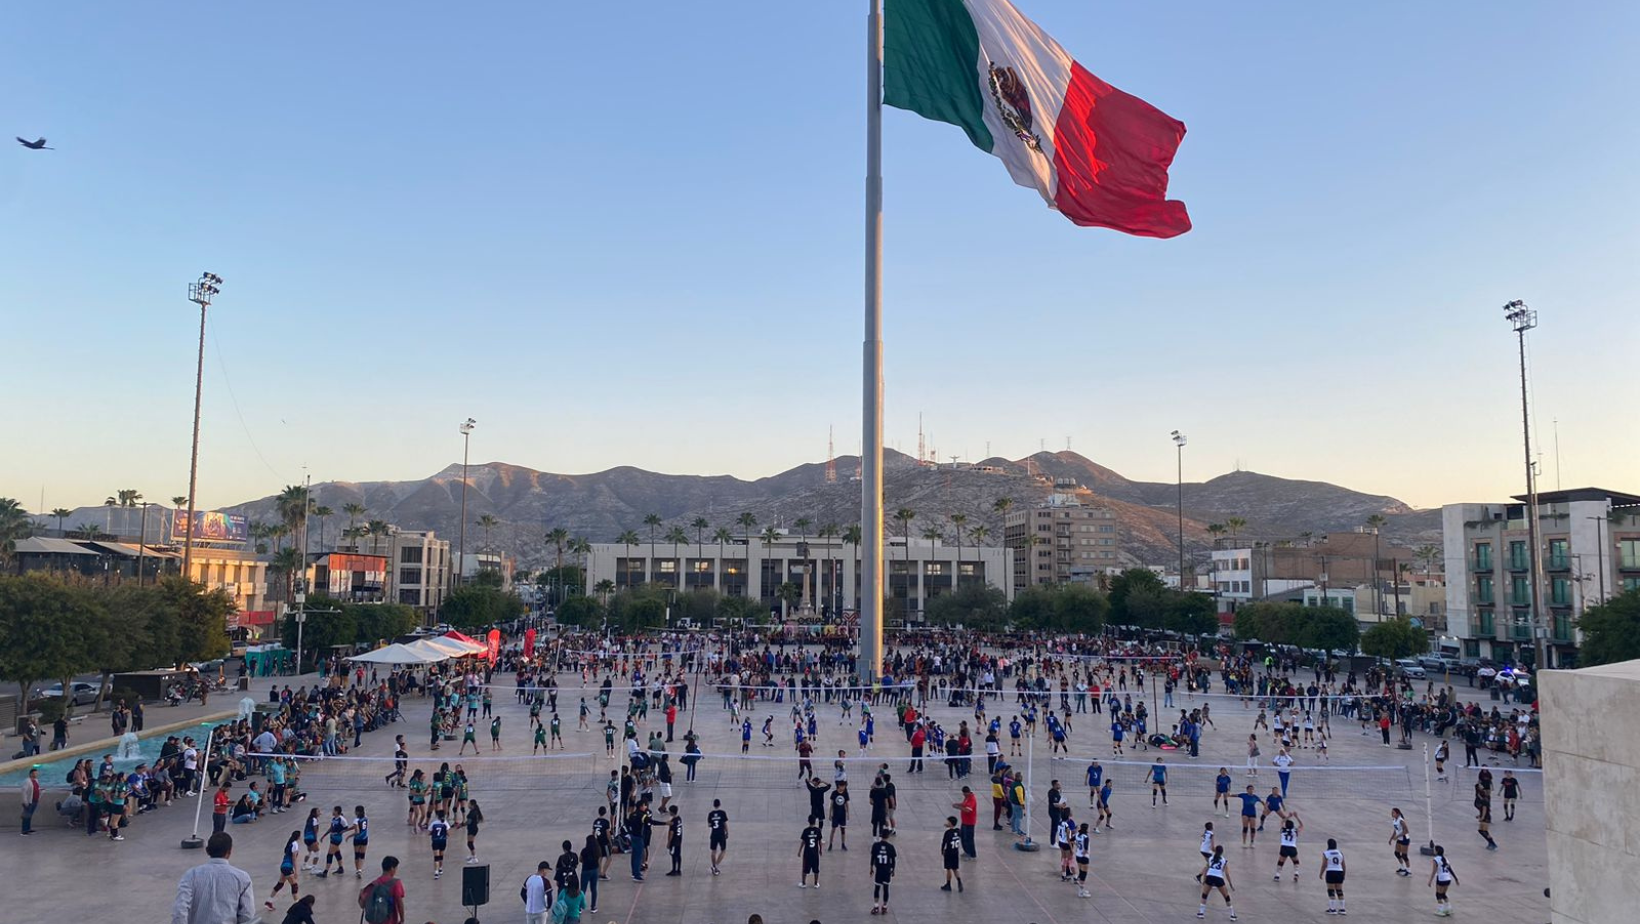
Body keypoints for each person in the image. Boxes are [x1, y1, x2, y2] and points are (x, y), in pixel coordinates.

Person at [171, 832, 257, 924]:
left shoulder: (191, 875)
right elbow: (247, 915)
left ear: (207, 851)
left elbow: (180, 910)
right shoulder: (242, 878)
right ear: (229, 852)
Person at [1197, 844, 1236, 920]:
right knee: (1226, 896)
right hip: (1219, 878)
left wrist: (1205, 880)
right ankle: (1232, 914)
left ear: (1215, 851)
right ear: (1222, 852)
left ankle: (1201, 913)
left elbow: (1206, 869)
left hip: (1210, 877)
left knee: (1205, 895)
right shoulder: (1224, 860)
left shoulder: (1210, 858)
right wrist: (1230, 884)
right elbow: (1227, 874)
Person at [266, 830, 304, 910]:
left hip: (283, 866)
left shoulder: (289, 843)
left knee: (280, 884)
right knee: (294, 885)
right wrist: (296, 870)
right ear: (298, 837)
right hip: (288, 867)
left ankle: (269, 901)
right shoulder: (295, 844)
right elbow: (294, 858)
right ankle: (297, 905)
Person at [870, 827, 898, 913]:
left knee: (877, 888)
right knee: (886, 889)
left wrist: (871, 868)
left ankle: (876, 906)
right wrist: (893, 870)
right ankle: (884, 906)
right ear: (888, 836)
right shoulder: (890, 847)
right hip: (887, 871)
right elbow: (893, 860)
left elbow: (873, 857)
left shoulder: (876, 846)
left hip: (879, 870)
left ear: (881, 835)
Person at [1427, 845, 1458, 916]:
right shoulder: (1445, 859)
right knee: (1443, 894)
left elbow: (1434, 871)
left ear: (1437, 851)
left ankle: (1440, 910)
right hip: (1448, 878)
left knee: (1438, 894)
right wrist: (1456, 878)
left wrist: (1430, 881)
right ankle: (1449, 908)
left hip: (1441, 878)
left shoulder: (1435, 860)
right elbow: (1450, 869)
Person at [1320, 837, 1347, 915]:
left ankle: (1333, 909)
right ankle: (1342, 909)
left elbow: (1324, 865)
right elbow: (1344, 865)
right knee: (1339, 890)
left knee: (1331, 890)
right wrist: (1343, 874)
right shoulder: (1340, 853)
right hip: (1339, 872)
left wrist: (1321, 874)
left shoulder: (1326, 853)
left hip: (1331, 872)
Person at [951, 785, 978, 857]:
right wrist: (958, 804)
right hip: (964, 821)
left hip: (970, 822)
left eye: (964, 794)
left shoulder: (972, 799)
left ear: (967, 793)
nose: (963, 795)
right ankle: (966, 851)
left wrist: (958, 807)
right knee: (963, 837)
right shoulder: (967, 798)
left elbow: (967, 810)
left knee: (968, 838)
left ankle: (970, 853)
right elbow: (964, 804)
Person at [939, 816, 963, 893]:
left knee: (948, 868)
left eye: (948, 822)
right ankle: (959, 881)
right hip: (955, 852)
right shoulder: (958, 831)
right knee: (955, 868)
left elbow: (944, 843)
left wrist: (942, 851)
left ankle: (948, 884)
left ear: (950, 823)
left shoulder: (947, 833)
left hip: (949, 853)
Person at [798, 814, 823, 888]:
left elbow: (803, 842)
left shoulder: (806, 831)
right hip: (815, 853)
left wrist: (799, 851)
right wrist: (820, 850)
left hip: (807, 853)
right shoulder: (818, 831)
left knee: (805, 868)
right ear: (815, 821)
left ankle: (803, 883)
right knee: (816, 868)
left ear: (808, 821)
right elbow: (820, 841)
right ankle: (816, 883)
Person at [708, 799, 729, 875]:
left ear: (713, 805)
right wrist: (727, 832)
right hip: (721, 833)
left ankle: (713, 864)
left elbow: (709, 825)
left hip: (714, 834)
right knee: (723, 850)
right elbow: (724, 823)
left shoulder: (710, 814)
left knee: (713, 851)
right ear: (719, 804)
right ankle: (716, 865)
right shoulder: (722, 813)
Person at [1389, 807, 1412, 876]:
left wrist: (1398, 836)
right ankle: (1402, 868)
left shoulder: (1401, 820)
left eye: (1393, 813)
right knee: (1397, 853)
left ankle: (1409, 871)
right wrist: (1391, 838)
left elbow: (1406, 831)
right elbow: (1395, 830)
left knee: (1404, 856)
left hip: (1405, 839)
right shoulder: (1394, 820)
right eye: (1392, 812)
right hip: (1399, 839)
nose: (1392, 814)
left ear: (1398, 813)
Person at [829, 780, 850, 851]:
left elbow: (847, 804)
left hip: (842, 815)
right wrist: (830, 814)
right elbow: (831, 804)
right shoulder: (834, 793)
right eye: (843, 786)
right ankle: (830, 844)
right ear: (839, 786)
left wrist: (848, 813)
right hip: (835, 815)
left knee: (843, 830)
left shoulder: (845, 793)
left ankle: (843, 844)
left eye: (844, 786)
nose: (843, 788)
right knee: (833, 830)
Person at [1072, 821, 1092, 898]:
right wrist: (1085, 852)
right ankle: (1081, 891)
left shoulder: (1077, 835)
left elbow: (1070, 839)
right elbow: (1086, 848)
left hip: (1078, 855)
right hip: (1084, 857)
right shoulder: (1086, 837)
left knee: (1081, 872)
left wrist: (1076, 845)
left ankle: (1082, 889)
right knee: (1084, 874)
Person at [428, 810, 450, 879]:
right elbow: (448, 833)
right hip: (443, 841)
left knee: (436, 857)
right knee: (441, 855)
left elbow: (429, 833)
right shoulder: (445, 823)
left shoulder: (433, 823)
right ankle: (440, 868)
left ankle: (436, 872)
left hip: (435, 841)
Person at [20, 767, 42, 835]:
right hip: (29, 801)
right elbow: (24, 791)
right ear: (31, 774)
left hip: (35, 800)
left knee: (30, 815)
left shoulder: (36, 780)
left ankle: (28, 828)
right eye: (35, 773)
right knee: (26, 815)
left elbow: (36, 789)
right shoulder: (27, 781)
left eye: (36, 773)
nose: (36, 774)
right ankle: (24, 830)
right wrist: (25, 801)